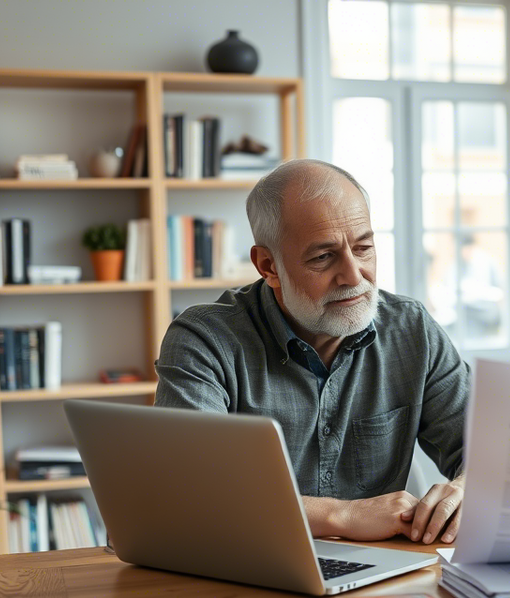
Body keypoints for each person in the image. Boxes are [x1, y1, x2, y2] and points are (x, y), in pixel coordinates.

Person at [155, 159, 468, 546]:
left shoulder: (412, 330)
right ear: (268, 266)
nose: (354, 276)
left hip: (384, 573)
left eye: (364, 247)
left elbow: (488, 452)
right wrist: (345, 515)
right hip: (251, 565)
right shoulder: (204, 340)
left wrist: (468, 489)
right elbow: (192, 493)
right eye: (323, 257)